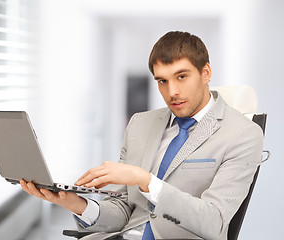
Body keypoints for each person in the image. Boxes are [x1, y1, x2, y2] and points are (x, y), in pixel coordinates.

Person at [20, 31, 263, 240]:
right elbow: (123, 209)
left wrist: (145, 180)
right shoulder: (140, 124)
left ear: (206, 72)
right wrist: (73, 204)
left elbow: (214, 221)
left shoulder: (242, 134)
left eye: (182, 76)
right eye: (162, 81)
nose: (172, 92)